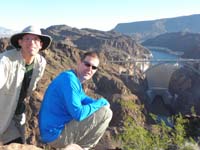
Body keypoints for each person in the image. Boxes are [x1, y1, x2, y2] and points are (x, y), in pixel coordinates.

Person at [39, 51, 113, 149]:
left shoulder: (74, 79)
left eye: (94, 67)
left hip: (54, 132)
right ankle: (83, 148)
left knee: (101, 108)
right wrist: (101, 103)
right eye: (87, 64)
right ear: (79, 62)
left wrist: (100, 103)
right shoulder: (69, 80)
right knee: (106, 113)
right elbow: (78, 114)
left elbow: (85, 99)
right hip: (56, 135)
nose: (89, 69)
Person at [0, 25, 52, 145]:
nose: (31, 43)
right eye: (27, 39)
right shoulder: (6, 60)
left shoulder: (40, 63)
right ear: (20, 42)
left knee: (22, 143)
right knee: (16, 143)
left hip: (20, 113)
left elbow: (31, 87)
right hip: (3, 110)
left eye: (36, 40)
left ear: (41, 45)